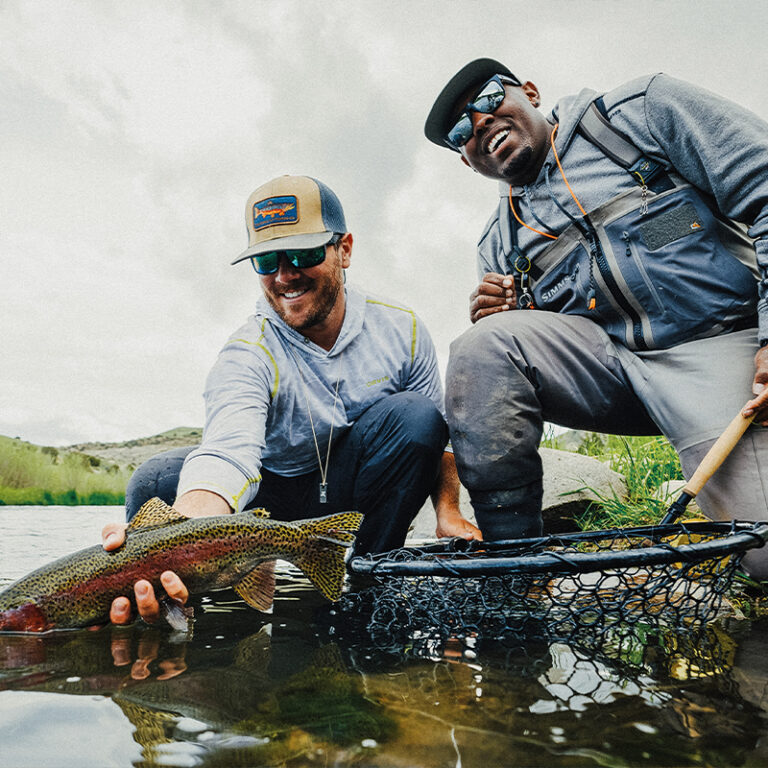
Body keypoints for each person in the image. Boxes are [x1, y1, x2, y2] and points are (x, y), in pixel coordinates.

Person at [424, 59, 768, 578]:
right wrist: (510, 316)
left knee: (762, 558)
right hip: (620, 372)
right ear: (466, 162)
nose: (478, 122)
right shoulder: (498, 243)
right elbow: (549, 351)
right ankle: (515, 573)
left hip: (727, 352)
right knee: (485, 344)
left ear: (532, 92)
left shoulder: (643, 113)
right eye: (459, 132)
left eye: (490, 97)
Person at [103, 174, 481, 624]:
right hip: (269, 495)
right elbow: (226, 450)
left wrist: (448, 511)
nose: (285, 276)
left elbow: (438, 439)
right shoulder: (247, 352)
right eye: (266, 260)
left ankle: (369, 576)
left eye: (303, 254)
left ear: (345, 249)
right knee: (155, 480)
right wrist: (181, 530)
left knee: (417, 418)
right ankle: (178, 603)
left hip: (350, 491)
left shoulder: (402, 329)